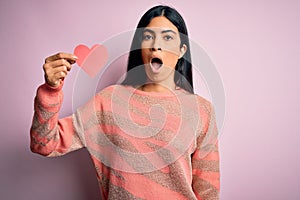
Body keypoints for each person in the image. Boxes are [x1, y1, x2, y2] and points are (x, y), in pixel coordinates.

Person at [30, 5, 220, 200]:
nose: (156, 45)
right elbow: (44, 144)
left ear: (181, 50)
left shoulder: (201, 111)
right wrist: (50, 91)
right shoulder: (109, 102)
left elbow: (208, 191)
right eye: (148, 37)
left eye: (167, 37)